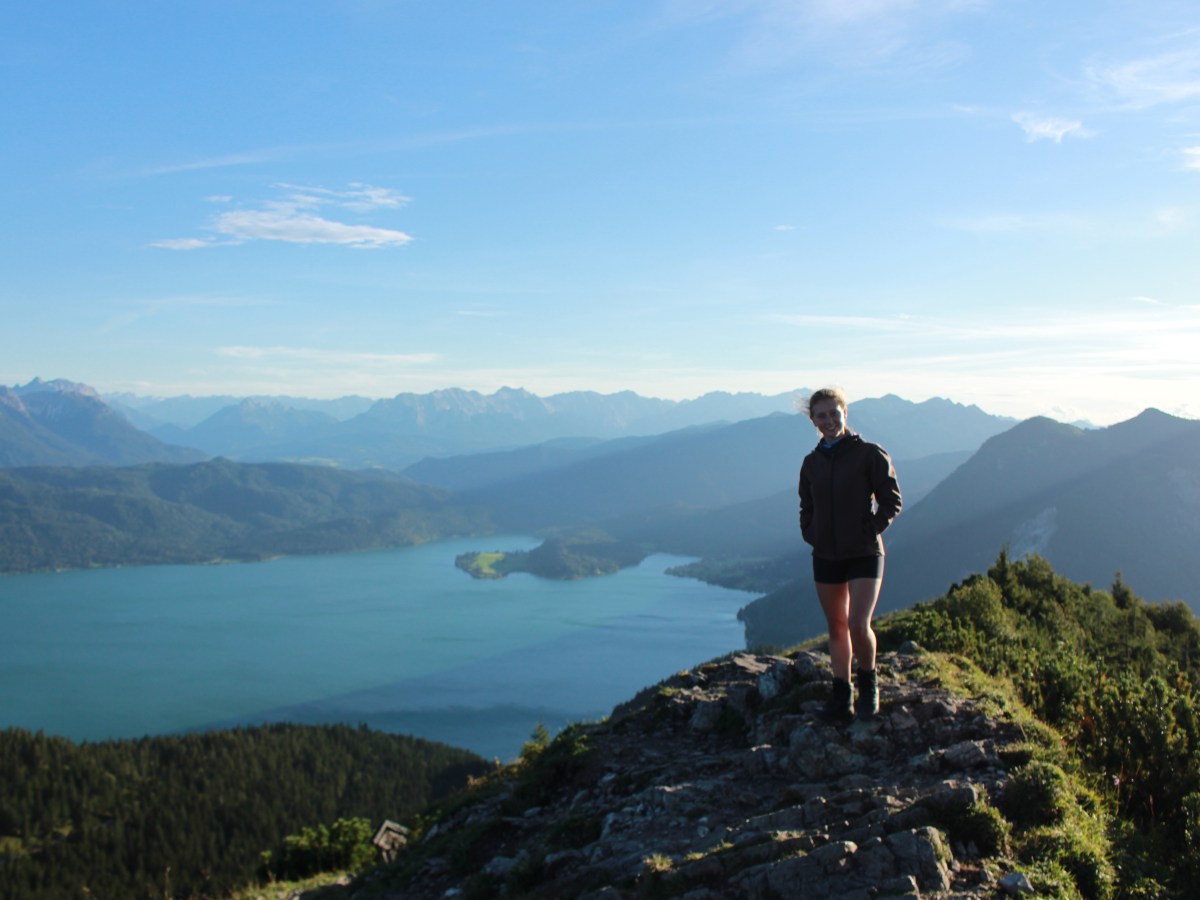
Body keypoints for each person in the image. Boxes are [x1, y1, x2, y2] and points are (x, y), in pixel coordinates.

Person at [798, 387, 902, 722]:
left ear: (845, 413)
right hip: (826, 554)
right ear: (812, 420)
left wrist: (871, 528)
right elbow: (807, 506)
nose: (828, 420)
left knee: (859, 624)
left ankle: (869, 684)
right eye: (821, 415)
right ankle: (841, 694)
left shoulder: (870, 454)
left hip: (864, 552)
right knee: (836, 627)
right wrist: (811, 533)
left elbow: (891, 499)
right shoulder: (811, 464)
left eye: (834, 413)